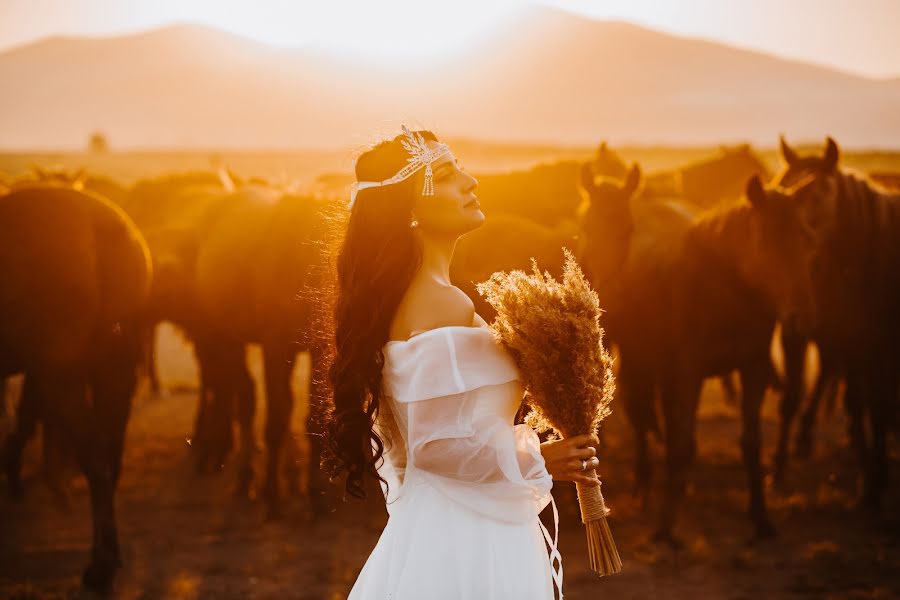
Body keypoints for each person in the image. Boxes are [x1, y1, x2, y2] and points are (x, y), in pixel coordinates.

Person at [323, 126, 601, 599]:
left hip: (463, 518)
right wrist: (540, 457)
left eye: (461, 169)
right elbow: (434, 446)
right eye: (449, 176)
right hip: (465, 539)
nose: (470, 182)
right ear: (411, 209)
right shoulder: (438, 302)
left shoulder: (425, 295)